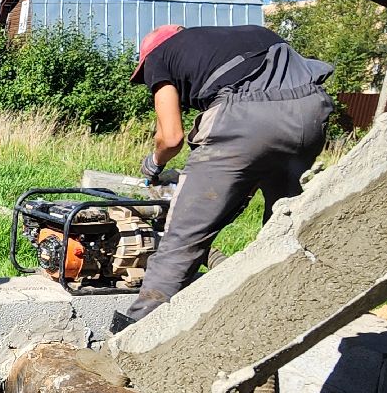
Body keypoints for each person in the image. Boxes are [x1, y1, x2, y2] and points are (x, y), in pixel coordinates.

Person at [115, 23, 334, 327]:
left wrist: (154, 163)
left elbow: (171, 137)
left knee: (183, 237)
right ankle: (276, 315)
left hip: (244, 119)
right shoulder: (252, 33)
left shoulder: (158, 56)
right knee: (282, 225)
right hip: (312, 114)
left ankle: (136, 331)